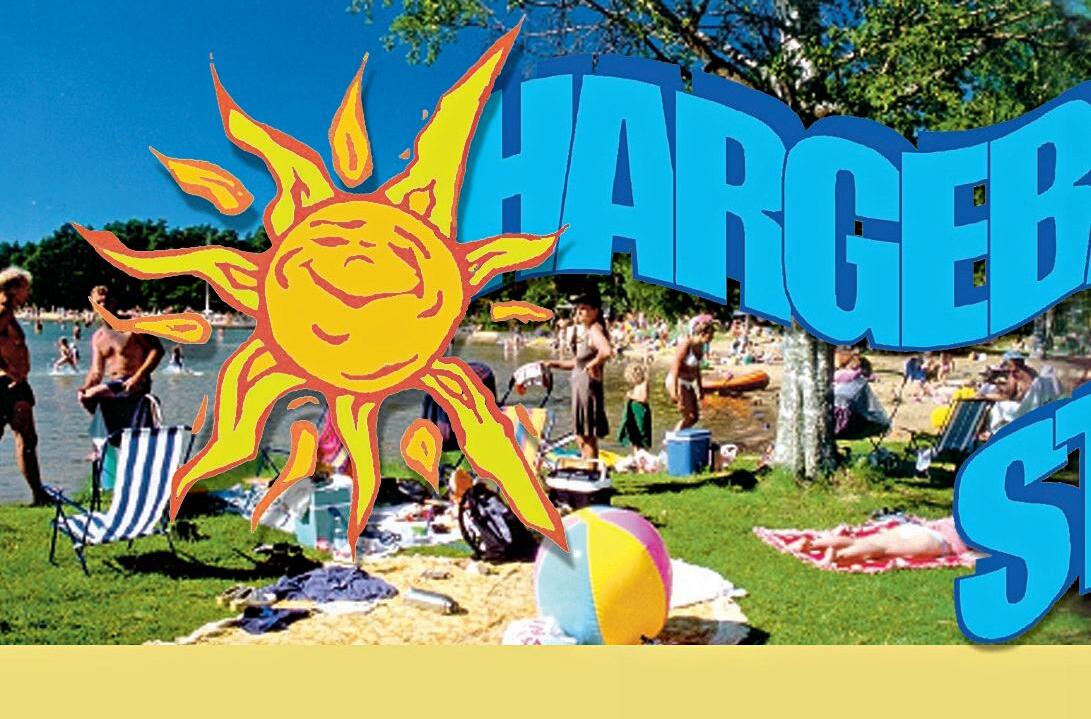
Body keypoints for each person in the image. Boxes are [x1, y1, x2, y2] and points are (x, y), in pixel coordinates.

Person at [78, 285, 165, 433]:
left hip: (134, 382)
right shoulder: (98, 337)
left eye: (106, 301)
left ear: (114, 302)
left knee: (94, 394)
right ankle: (110, 432)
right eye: (98, 303)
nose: (103, 306)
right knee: (86, 397)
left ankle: (111, 428)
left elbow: (157, 350)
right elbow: (96, 372)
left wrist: (138, 377)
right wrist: (84, 388)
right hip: (114, 386)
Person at [543, 292, 613, 459]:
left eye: (583, 308)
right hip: (582, 386)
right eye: (578, 308)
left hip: (587, 386)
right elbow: (578, 363)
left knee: (586, 434)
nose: (579, 312)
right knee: (583, 433)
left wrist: (593, 364)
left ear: (595, 311)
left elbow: (606, 351)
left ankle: (591, 467)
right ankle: (590, 465)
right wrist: (553, 363)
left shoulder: (595, 330)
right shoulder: (589, 330)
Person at [0, 267, 48, 505]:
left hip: (14, 385)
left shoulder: (8, 311)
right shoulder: (3, 310)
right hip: (6, 384)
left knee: (27, 439)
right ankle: (39, 494)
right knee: (26, 439)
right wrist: (7, 369)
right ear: (15, 288)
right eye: (25, 289)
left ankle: (39, 494)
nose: (27, 294)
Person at [803, 516, 969, 566]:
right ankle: (836, 556)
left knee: (861, 540)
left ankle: (812, 545)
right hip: (935, 540)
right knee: (882, 549)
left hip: (915, 528)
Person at [666, 314, 717, 431]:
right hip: (677, 381)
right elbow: (675, 368)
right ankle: (674, 438)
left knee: (694, 417)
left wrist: (700, 388)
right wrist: (674, 392)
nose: (712, 337)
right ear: (702, 333)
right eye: (711, 334)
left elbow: (697, 369)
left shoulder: (701, 346)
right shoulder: (686, 345)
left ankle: (678, 436)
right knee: (688, 416)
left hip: (688, 383)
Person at [617, 360, 652, 451]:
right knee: (634, 434)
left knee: (642, 434)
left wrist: (631, 396)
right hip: (634, 412)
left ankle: (643, 453)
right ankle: (636, 454)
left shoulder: (644, 383)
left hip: (641, 412)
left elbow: (644, 398)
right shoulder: (637, 385)